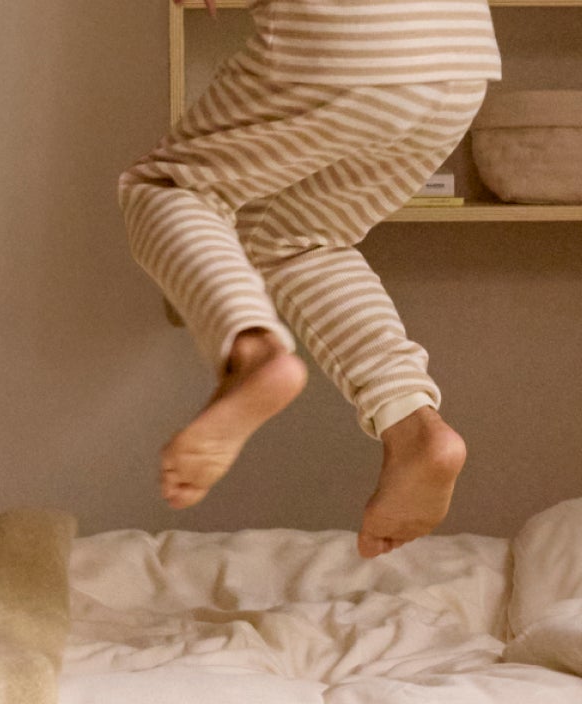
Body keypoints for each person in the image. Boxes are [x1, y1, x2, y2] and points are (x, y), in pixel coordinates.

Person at [122, 0, 500, 557]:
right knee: (299, 239)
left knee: (169, 189)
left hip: (346, 41)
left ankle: (250, 352)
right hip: (461, 58)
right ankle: (410, 423)